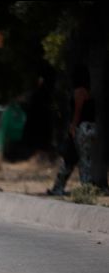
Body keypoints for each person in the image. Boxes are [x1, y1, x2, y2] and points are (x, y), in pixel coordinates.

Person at [48, 64, 97, 195]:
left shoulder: (79, 92)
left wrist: (73, 126)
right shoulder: (89, 91)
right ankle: (61, 187)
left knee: (83, 161)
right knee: (78, 158)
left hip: (82, 128)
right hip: (91, 128)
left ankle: (86, 190)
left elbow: (78, 111)